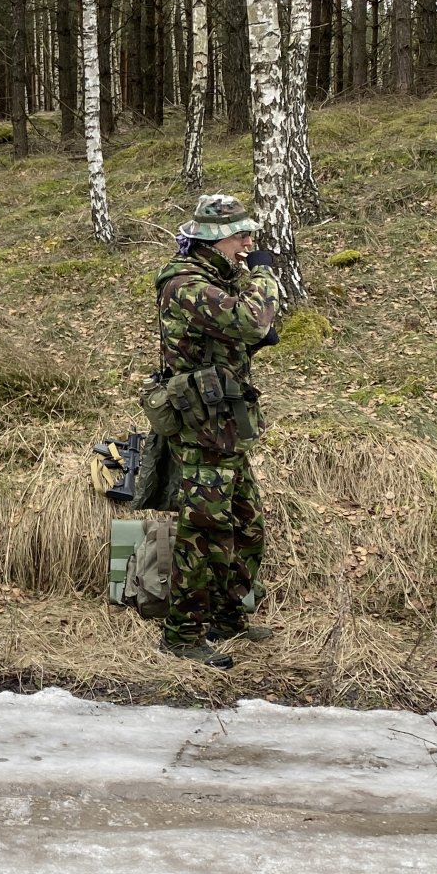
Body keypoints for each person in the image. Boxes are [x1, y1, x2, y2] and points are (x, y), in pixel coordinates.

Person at [151, 195, 282, 668]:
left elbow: (246, 330)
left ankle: (228, 617)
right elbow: (250, 319)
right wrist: (264, 275)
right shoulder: (185, 283)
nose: (249, 243)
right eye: (241, 236)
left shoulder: (217, 279)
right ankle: (182, 634)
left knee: (247, 524)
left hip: (228, 425)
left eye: (249, 235)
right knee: (203, 532)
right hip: (202, 429)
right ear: (212, 240)